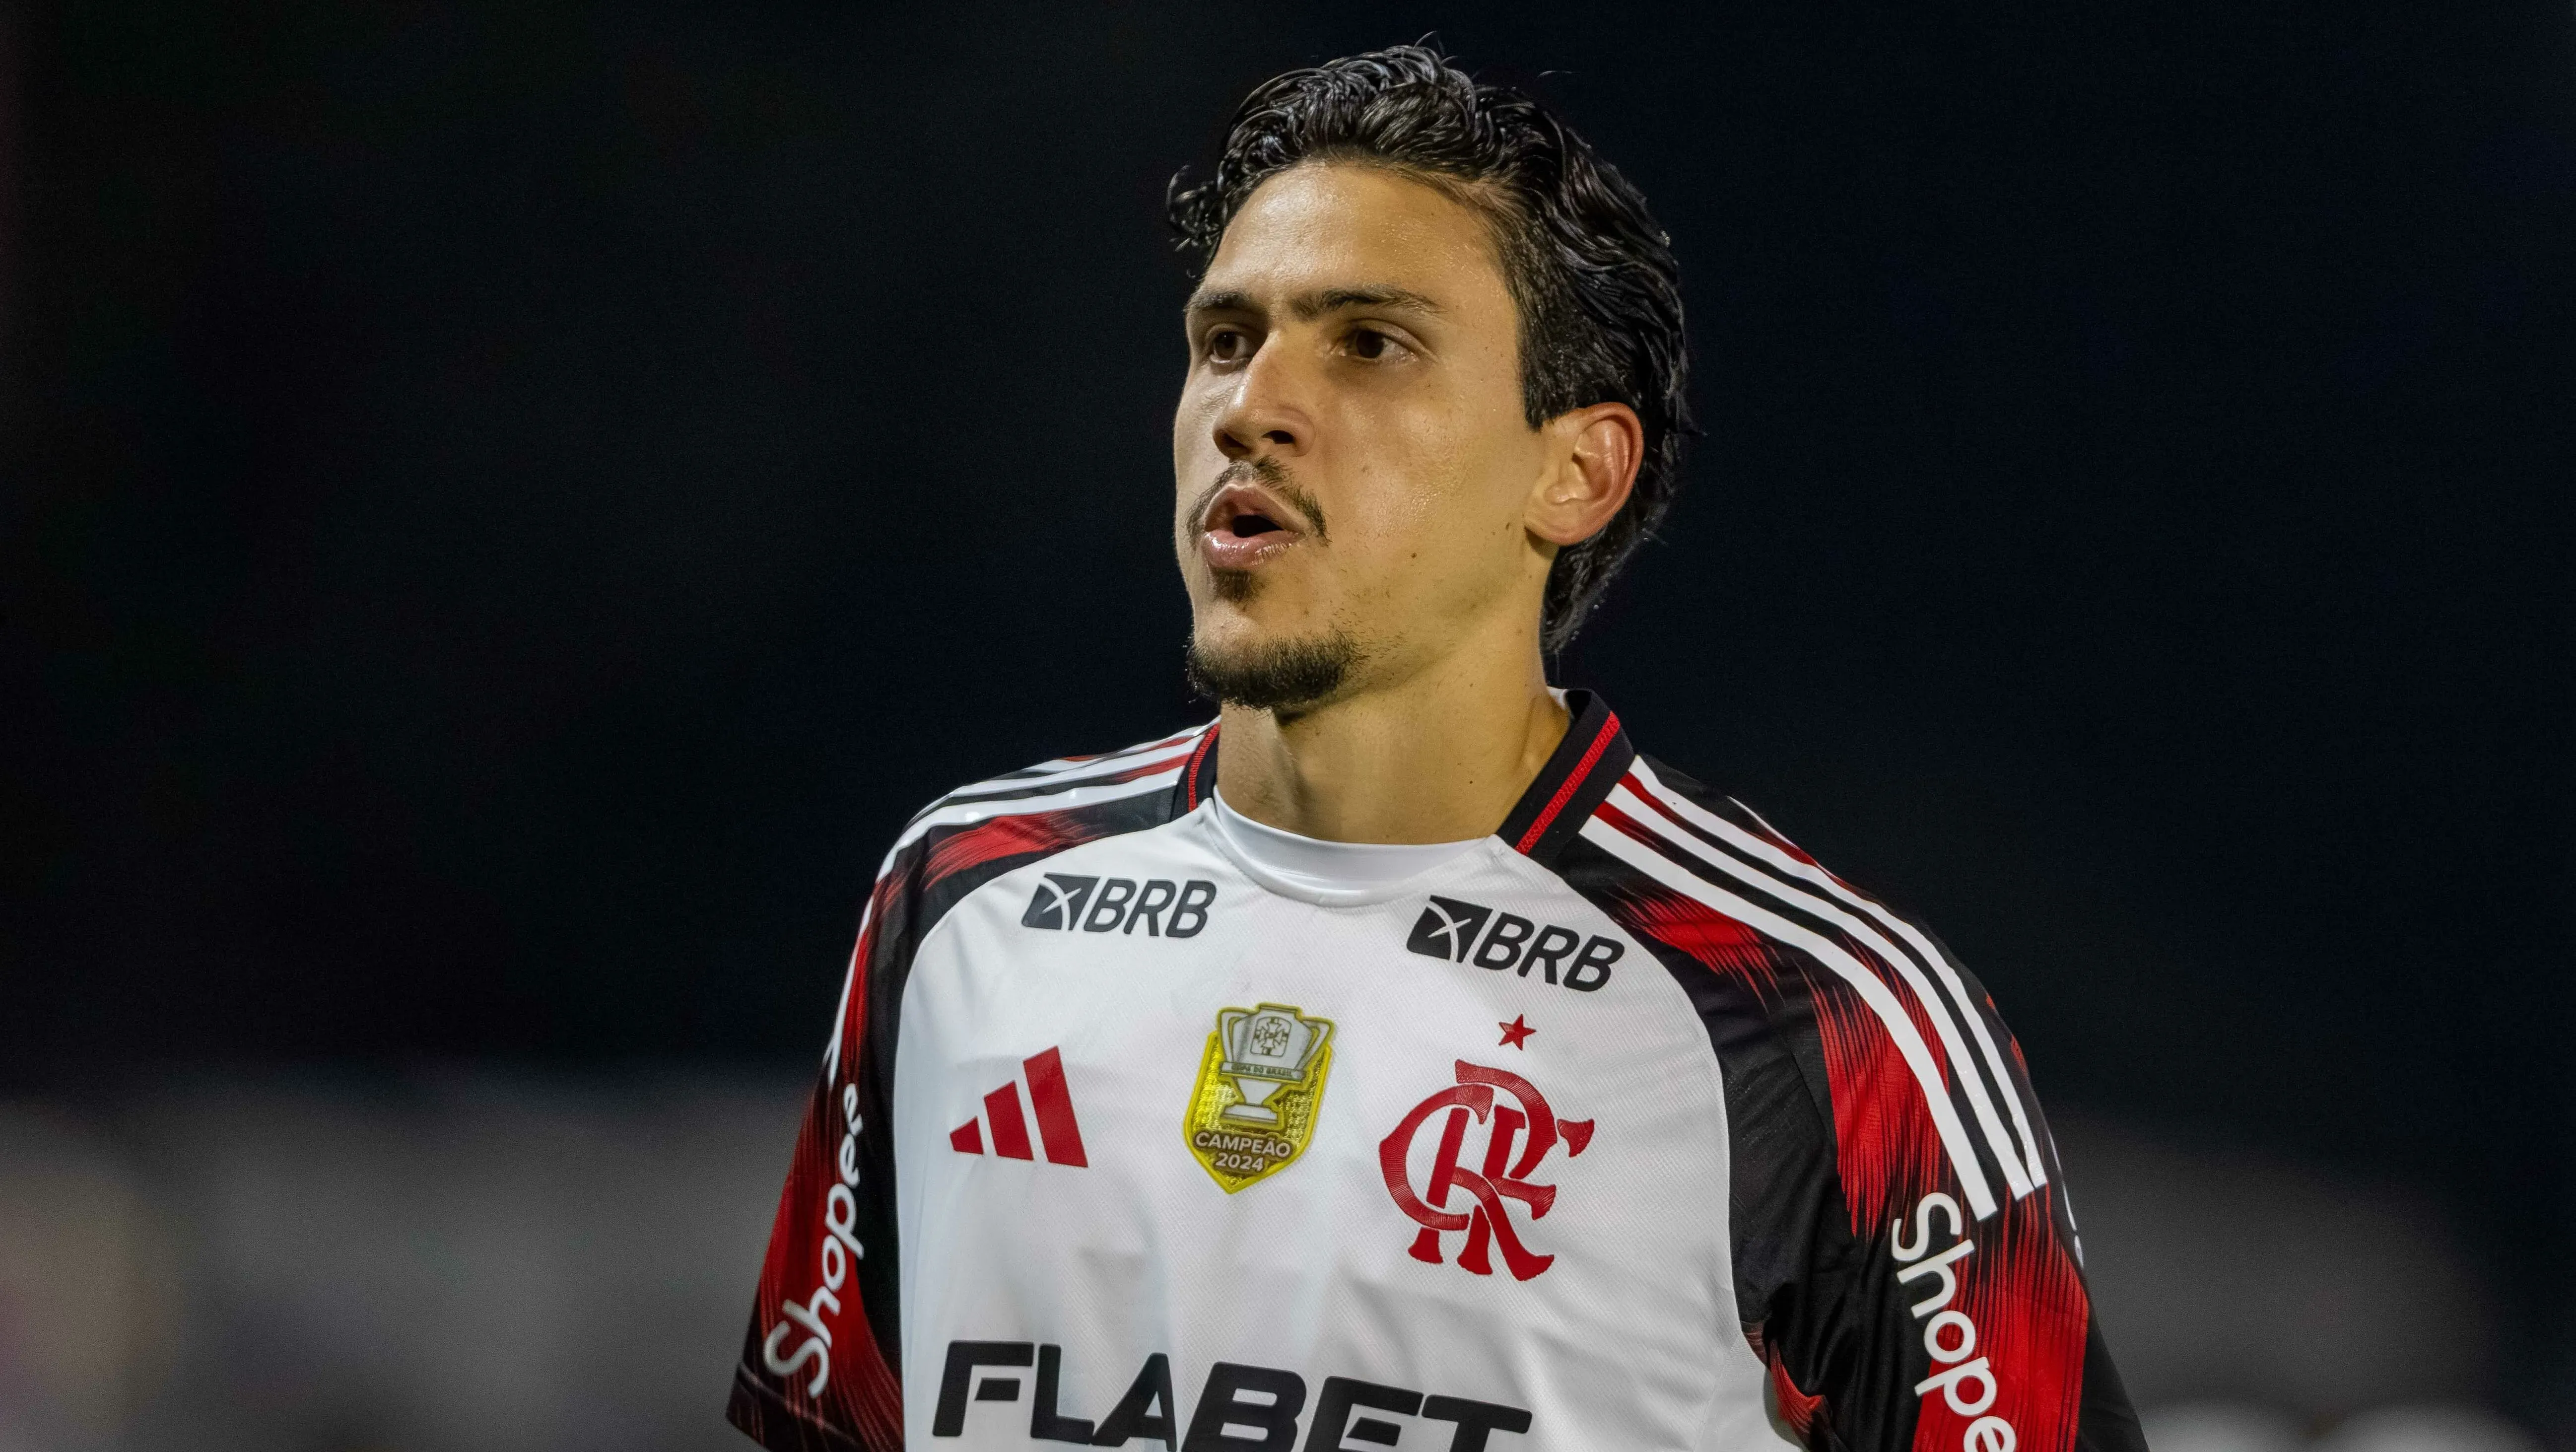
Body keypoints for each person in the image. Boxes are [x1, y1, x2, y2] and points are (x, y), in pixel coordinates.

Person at [725, 45, 2142, 1452]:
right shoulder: (964, 897)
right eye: (1226, 339)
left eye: (1369, 344)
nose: (1248, 405)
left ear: (1574, 471)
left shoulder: (1825, 1018)